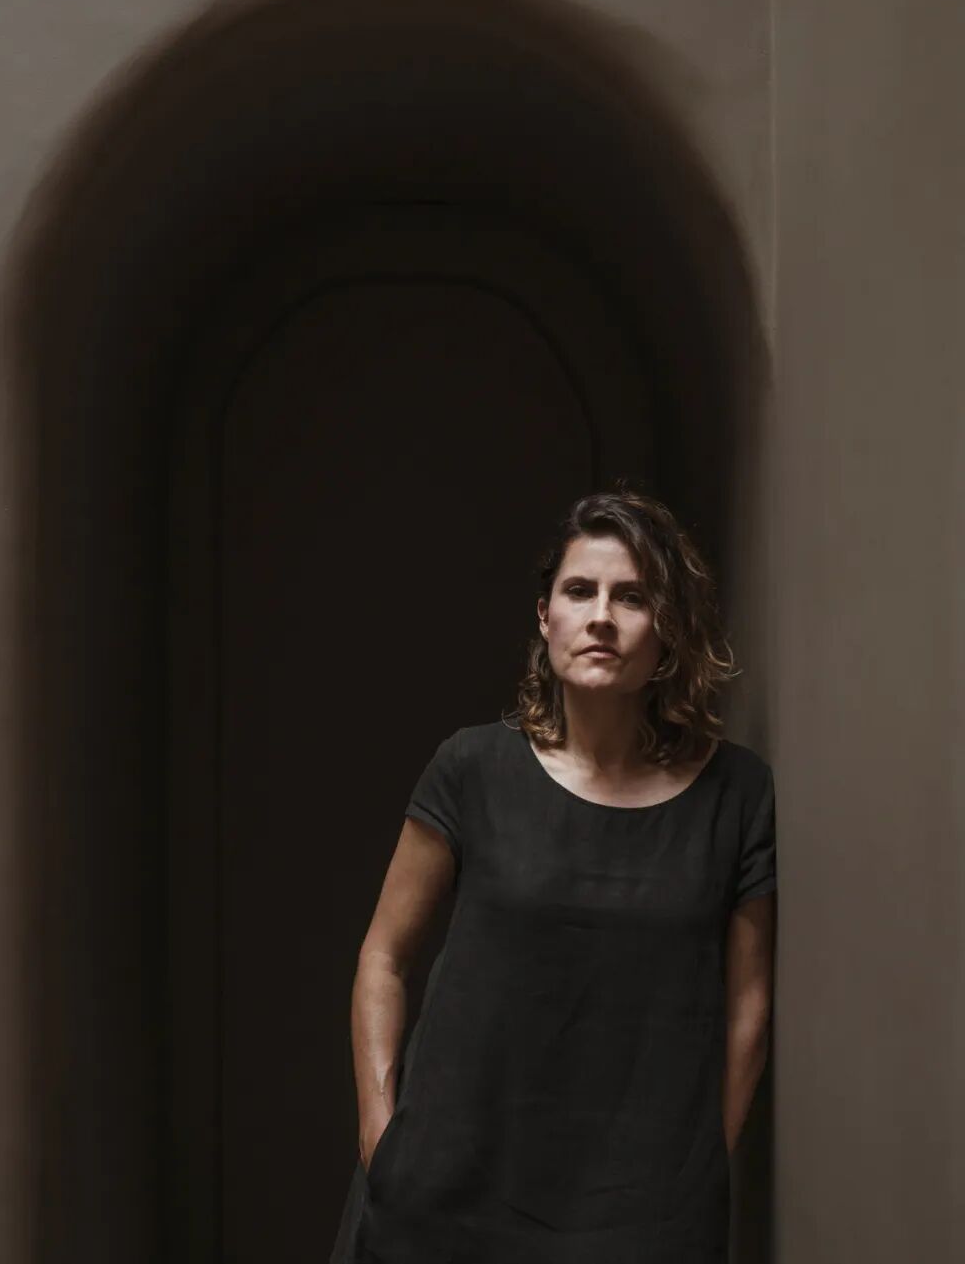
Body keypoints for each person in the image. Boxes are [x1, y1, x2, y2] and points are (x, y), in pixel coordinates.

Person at [329, 488, 777, 1263]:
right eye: (579, 591)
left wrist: (702, 1165)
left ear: (668, 627)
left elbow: (749, 1006)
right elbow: (384, 956)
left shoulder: (736, 794)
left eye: (631, 596)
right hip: (446, 1196)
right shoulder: (471, 768)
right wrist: (381, 1135)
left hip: (639, 1216)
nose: (601, 616)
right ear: (546, 617)